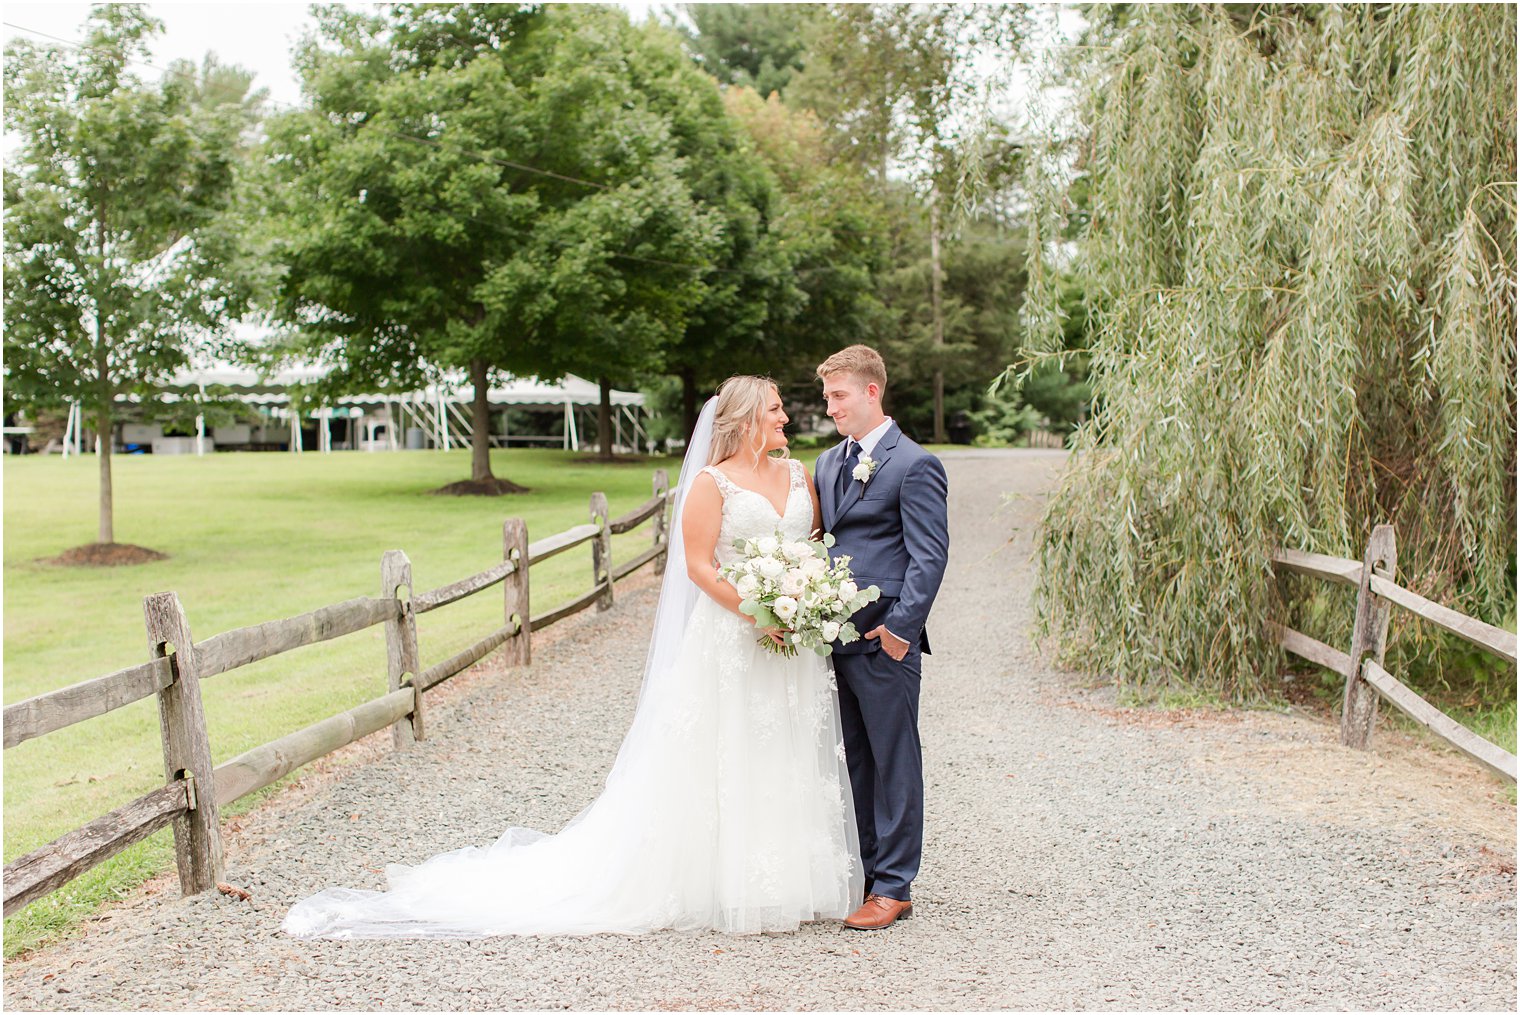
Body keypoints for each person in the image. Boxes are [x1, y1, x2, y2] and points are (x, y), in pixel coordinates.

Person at [282, 376, 862, 938]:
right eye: (776, 409)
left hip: (792, 639)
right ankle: (720, 881)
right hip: (734, 636)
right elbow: (700, 565)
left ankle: (786, 876)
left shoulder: (795, 473)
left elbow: (810, 544)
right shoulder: (712, 483)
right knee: (727, 746)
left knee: (783, 742)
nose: (786, 417)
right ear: (744, 419)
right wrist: (757, 611)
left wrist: (802, 598)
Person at [814, 345, 950, 931]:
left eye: (839, 396)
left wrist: (900, 631)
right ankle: (869, 876)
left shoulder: (914, 464)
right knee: (856, 761)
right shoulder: (826, 462)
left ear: (872, 392)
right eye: (826, 398)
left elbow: (929, 557)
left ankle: (896, 885)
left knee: (894, 759)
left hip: (883, 638)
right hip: (831, 638)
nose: (830, 408)